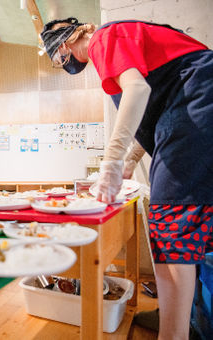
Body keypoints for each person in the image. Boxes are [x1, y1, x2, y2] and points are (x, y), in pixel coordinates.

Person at [40, 18, 213, 340]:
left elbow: (137, 90)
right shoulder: (133, 42)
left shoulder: (105, 37)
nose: (63, 63)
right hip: (197, 114)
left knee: (173, 221)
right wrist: (130, 160)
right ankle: (189, 319)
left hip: (199, 114)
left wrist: (111, 162)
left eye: (58, 57)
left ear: (64, 45)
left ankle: (173, 334)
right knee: (199, 229)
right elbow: (152, 110)